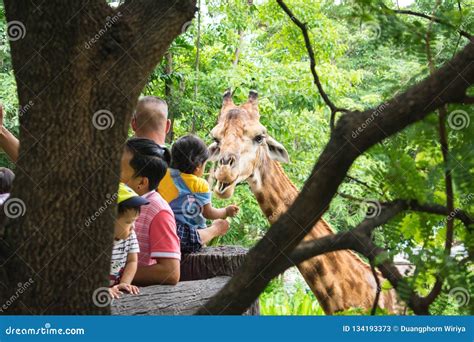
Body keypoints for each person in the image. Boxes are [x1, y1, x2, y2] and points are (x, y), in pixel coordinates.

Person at [159, 135, 239, 253]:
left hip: (166, 230)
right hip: (192, 237)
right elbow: (208, 213)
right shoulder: (199, 184)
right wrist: (226, 211)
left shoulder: (163, 175)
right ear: (198, 167)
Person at [120, 137, 181, 286]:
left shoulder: (159, 211)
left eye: (118, 170)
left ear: (141, 182)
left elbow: (170, 272)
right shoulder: (117, 197)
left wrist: (120, 275)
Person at [109, 183, 148, 299]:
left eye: (135, 221)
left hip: (115, 291)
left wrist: (125, 283)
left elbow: (132, 261)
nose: (133, 227)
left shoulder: (130, 236)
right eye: (128, 222)